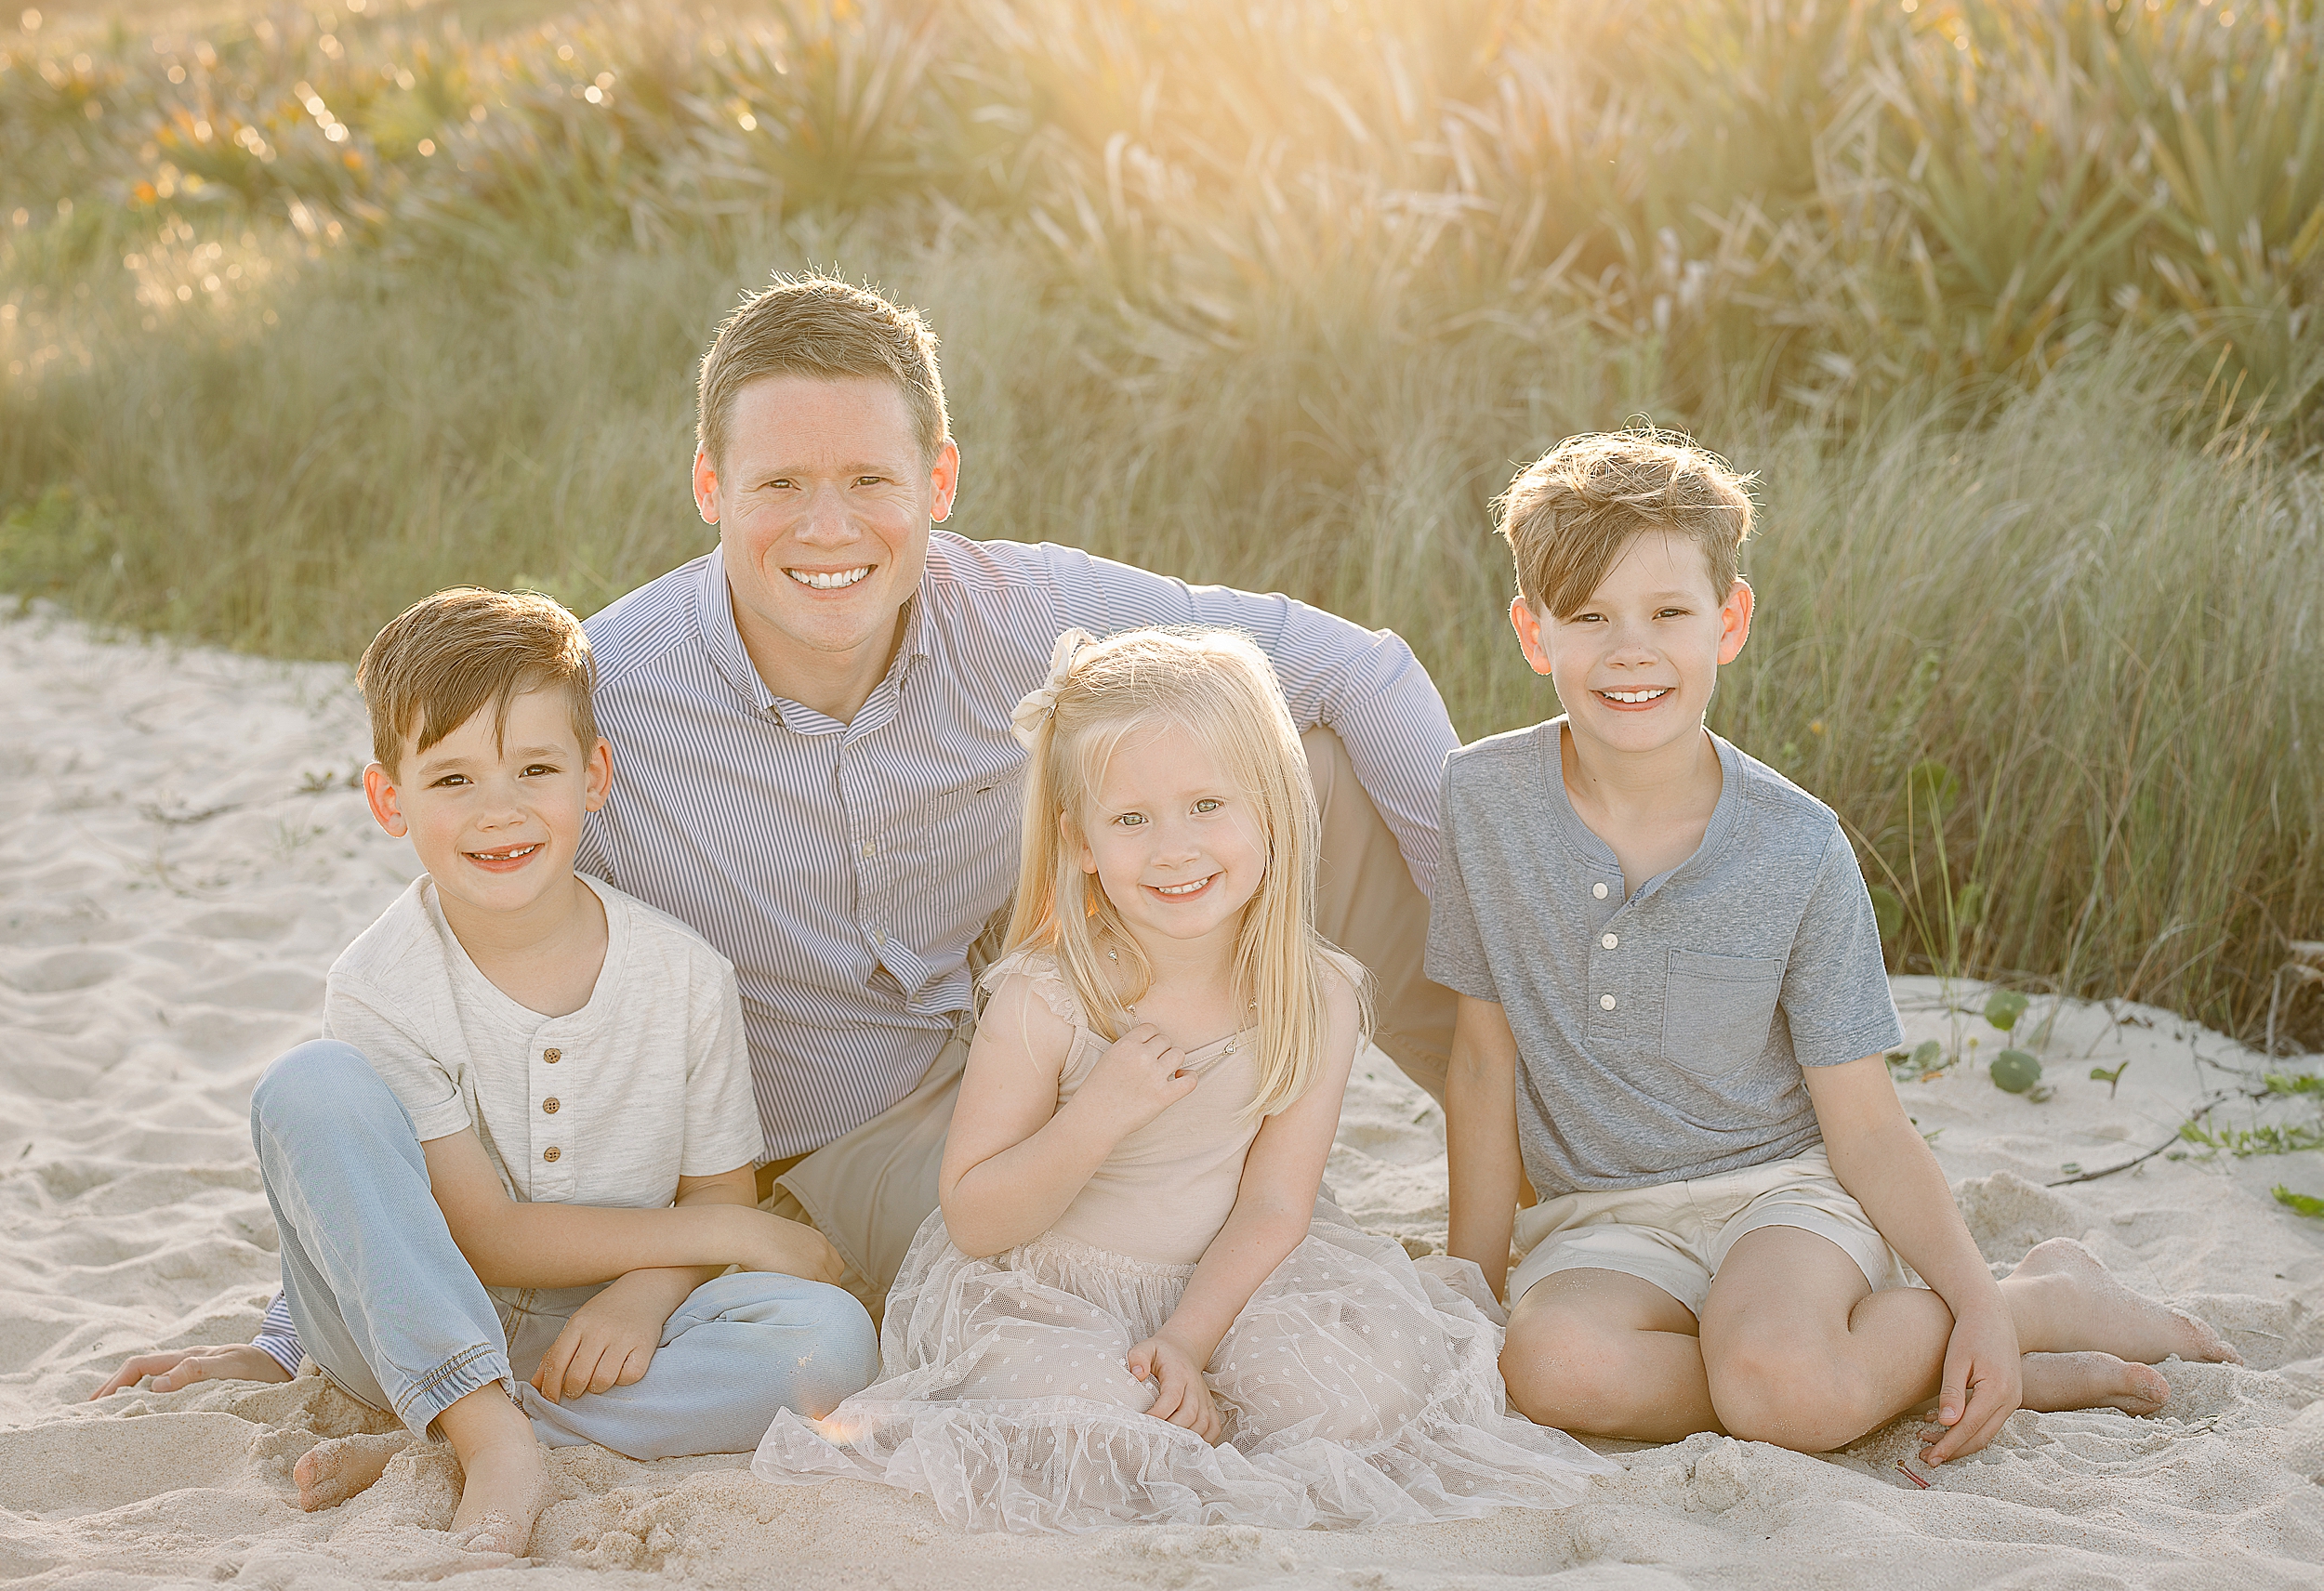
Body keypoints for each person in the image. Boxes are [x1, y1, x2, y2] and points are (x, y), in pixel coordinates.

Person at [100, 274, 1459, 1424]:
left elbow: (1368, 668)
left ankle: (1542, 1148)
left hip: (1035, 1026)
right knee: (1083, 1233)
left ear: (937, 481)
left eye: (870, 479)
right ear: (709, 484)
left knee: (1296, 763)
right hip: (835, 1134)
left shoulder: (1031, 609)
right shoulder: (610, 698)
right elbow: (455, 958)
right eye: (781, 483)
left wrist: (1496, 947)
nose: (828, 525)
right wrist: (302, 1320)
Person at [1433, 429, 2241, 1466]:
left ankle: (2023, 1307)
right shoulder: (1480, 800)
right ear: (1532, 633)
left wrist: (1967, 1292)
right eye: (1588, 617)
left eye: (1667, 613)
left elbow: (1863, 1123)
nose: (1629, 650)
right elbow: (1479, 1059)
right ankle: (1926, 1361)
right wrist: (1467, 1286)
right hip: (1599, 1219)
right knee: (1548, 1370)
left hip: (1780, 1193)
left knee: (1785, 1388)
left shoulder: (1797, 843)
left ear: (1728, 623)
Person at [751, 627, 1607, 1531]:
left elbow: (1276, 1204)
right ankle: (1165, 1407)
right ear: (1079, 841)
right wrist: (1100, 1114)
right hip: (1051, 1286)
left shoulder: (1315, 992)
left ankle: (1199, 1387)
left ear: (1270, 810)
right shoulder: (1048, 999)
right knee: (1095, 1416)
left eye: (1207, 804)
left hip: (1234, 1278)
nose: (1173, 849)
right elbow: (975, 1215)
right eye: (1131, 818)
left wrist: (1186, 1339)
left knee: (1361, 1392)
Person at [100, 589, 877, 1563]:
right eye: (453, 777)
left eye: (535, 769)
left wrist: (639, 1295)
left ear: (593, 776)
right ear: (391, 800)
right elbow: (485, 1233)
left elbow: (712, 1182)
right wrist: (728, 1229)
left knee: (829, 1342)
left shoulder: (684, 974)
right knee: (311, 1082)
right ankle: (488, 1434)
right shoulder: (382, 984)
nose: (499, 810)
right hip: (400, 1321)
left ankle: (442, 1436)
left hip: (601, 1338)